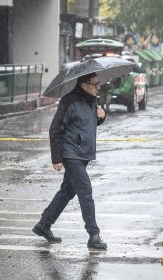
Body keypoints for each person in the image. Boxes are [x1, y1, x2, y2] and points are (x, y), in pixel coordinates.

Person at [32, 72, 107, 249]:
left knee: (67, 191)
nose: (98, 87)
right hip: (71, 153)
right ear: (84, 85)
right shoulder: (69, 101)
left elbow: (86, 125)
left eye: (99, 84)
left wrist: (101, 118)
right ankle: (93, 235)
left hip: (83, 154)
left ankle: (44, 225)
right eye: (95, 84)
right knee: (85, 191)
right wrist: (57, 158)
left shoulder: (92, 101)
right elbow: (55, 130)